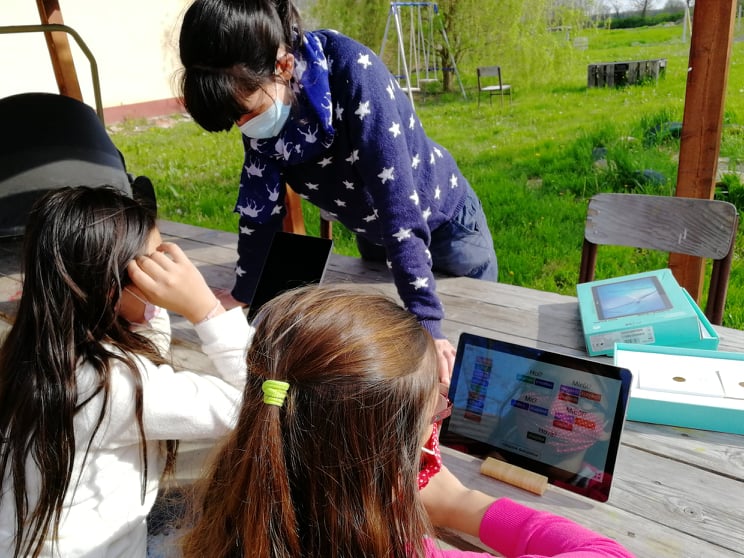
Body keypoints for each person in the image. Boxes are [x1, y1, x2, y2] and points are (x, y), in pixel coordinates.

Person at [180, 285, 635, 558]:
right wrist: (461, 503)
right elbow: (608, 552)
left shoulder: (229, 520)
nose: (441, 412)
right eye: (435, 413)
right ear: (387, 459)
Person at [177, 0, 498, 383]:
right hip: (380, 239)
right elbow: (260, 211)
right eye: (235, 119)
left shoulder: (354, 73)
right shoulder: (261, 97)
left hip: (447, 227)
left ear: (283, 66)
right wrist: (245, 290)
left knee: (476, 353)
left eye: (246, 113)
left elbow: (398, 208)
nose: (242, 127)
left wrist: (426, 321)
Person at [0, 186, 253, 558]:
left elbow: (146, 342)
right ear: (110, 290)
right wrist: (205, 309)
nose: (164, 277)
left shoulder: (42, 349)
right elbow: (254, 400)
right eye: (151, 267)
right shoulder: (115, 384)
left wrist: (155, 302)